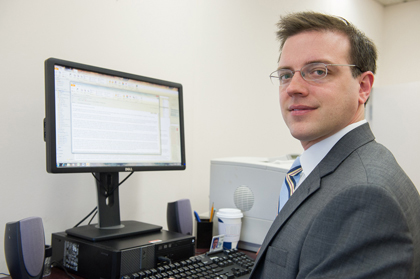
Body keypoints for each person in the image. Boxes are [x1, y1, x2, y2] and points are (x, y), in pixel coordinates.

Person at [249, 11, 420, 278]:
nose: (293, 87)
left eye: (318, 71)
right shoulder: (327, 169)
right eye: (285, 74)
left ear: (363, 86)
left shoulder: (364, 196)